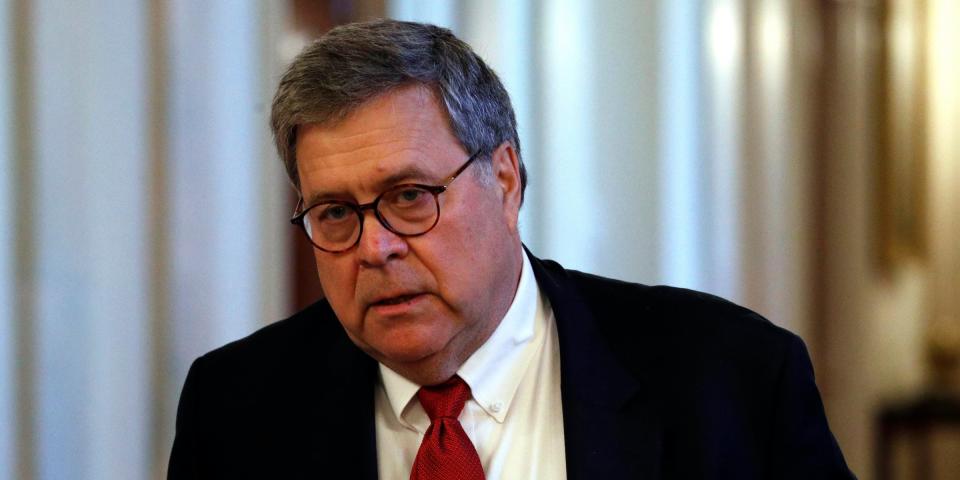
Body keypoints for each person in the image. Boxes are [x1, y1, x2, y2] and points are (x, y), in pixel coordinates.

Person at [168, 19, 855, 479]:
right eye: (336, 212)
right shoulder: (236, 409)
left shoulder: (729, 379)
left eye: (410, 196)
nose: (374, 248)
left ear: (505, 179)